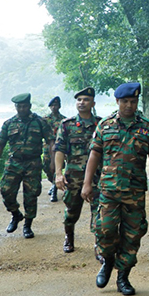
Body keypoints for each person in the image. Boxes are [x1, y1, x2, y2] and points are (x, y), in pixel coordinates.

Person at [82, 82, 149, 296]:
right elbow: (95, 154)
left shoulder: (147, 126)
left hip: (135, 191)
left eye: (133, 101)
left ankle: (123, 276)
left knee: (133, 235)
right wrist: (87, 183)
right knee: (105, 229)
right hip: (108, 190)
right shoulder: (105, 125)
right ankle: (107, 261)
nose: (129, 105)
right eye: (125, 101)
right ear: (118, 101)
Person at [0, 93, 55, 238]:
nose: (21, 109)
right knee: (5, 190)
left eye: (24, 106)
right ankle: (15, 214)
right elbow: (0, 144)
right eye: (19, 106)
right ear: (15, 107)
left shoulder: (40, 122)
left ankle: (27, 225)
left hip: (33, 163)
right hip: (14, 162)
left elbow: (51, 142)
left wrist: (52, 162)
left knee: (31, 195)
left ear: (30, 106)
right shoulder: (9, 123)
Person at [54, 87, 102, 253]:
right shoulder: (67, 125)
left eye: (86, 100)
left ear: (93, 103)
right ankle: (69, 236)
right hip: (74, 177)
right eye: (79, 99)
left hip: (98, 177)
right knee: (72, 211)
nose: (82, 103)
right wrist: (58, 174)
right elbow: (59, 149)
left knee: (99, 211)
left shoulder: (101, 124)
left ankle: (99, 245)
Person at [43, 96, 65, 202]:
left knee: (56, 167)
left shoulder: (63, 120)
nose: (54, 107)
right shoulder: (45, 119)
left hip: (59, 148)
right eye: (52, 105)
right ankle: (53, 184)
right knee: (47, 168)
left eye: (56, 105)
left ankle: (54, 193)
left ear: (59, 106)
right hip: (47, 148)